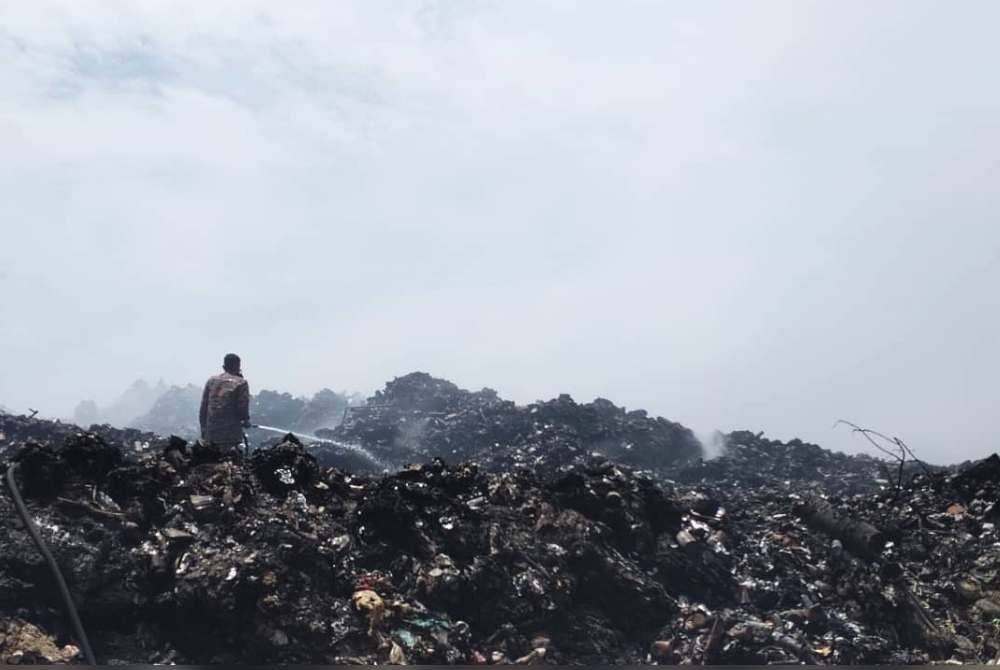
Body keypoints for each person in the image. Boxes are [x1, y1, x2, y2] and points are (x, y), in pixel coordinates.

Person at [199, 353, 251, 455]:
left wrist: (203, 428)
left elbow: (203, 407)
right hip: (230, 433)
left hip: (211, 430)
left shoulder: (211, 381)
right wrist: (246, 421)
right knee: (229, 461)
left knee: (212, 460)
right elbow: (242, 408)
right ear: (238, 366)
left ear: (224, 366)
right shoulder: (241, 383)